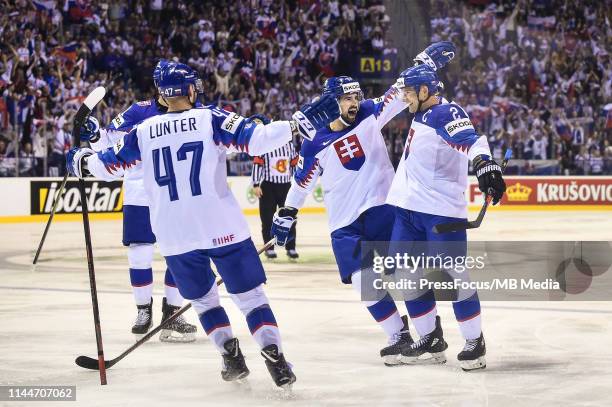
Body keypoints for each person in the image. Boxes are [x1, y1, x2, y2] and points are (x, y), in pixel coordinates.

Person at [67, 61, 338, 387]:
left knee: (204, 301)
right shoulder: (211, 117)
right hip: (221, 227)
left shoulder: (142, 132)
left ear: (162, 95)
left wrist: (79, 159)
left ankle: (230, 355)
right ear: (191, 89)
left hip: (174, 235)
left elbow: (106, 166)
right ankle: (274, 356)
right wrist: (298, 124)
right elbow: (261, 140)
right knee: (251, 298)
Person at [270, 42, 457, 366]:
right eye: (347, 98)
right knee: (364, 282)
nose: (355, 102)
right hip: (345, 224)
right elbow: (302, 183)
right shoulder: (315, 143)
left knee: (406, 273)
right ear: (331, 102)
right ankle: (399, 336)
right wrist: (287, 214)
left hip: (384, 207)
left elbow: (401, 92)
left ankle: (431, 337)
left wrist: (422, 61)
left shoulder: (371, 113)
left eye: (356, 96)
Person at [385, 64, 506, 371]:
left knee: (454, 276)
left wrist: (485, 165)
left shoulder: (445, 112)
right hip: (408, 212)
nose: (406, 98)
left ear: (425, 92)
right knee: (405, 275)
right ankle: (430, 339)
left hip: (439, 214)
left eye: (410, 93)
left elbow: (472, 139)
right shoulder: (420, 114)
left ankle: (474, 342)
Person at [80, 59, 197, 342]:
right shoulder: (138, 111)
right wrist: (95, 136)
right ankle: (143, 310)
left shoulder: (192, 112)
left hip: (175, 194)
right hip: (140, 193)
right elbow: (108, 144)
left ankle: (172, 315)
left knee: (178, 253)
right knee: (140, 252)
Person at [251, 133, 299, 259]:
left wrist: (296, 183)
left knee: (289, 218)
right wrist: (256, 184)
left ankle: (291, 247)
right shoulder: (265, 145)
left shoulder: (289, 146)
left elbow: (294, 164)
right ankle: (269, 248)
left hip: (286, 186)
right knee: (267, 219)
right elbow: (257, 163)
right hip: (268, 187)